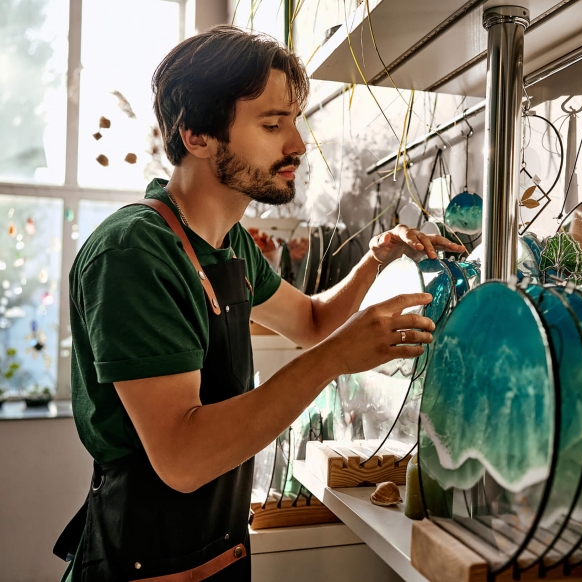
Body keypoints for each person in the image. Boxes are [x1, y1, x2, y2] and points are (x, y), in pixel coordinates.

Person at [56, 25, 464, 581]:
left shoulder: (231, 245)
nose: (296, 144)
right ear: (196, 134)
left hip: (217, 550)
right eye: (272, 124)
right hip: (143, 562)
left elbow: (313, 323)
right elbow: (183, 458)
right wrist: (337, 358)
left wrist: (376, 258)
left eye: (294, 121)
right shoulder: (135, 252)